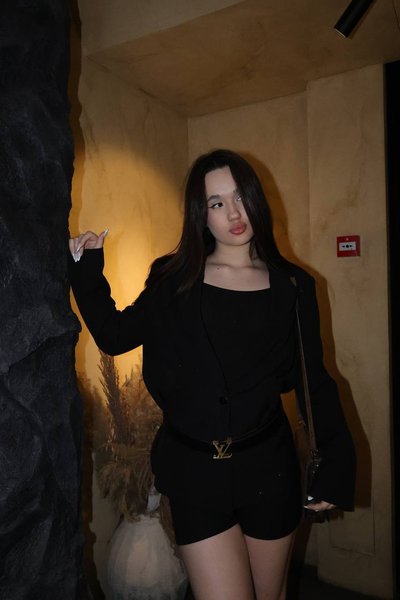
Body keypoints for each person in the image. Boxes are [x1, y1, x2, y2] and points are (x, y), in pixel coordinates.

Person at [69, 149, 356, 600]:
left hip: (269, 470)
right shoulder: (174, 279)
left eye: (240, 197)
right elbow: (115, 334)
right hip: (195, 474)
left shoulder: (293, 285)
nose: (234, 213)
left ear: (257, 199)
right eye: (217, 203)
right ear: (201, 215)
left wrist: (334, 464)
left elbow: (312, 379)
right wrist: (87, 267)